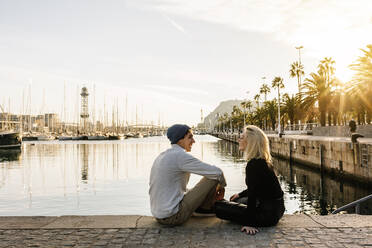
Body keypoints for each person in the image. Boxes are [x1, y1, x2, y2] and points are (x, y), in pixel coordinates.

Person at [149, 124, 226, 226]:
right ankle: (205, 209)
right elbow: (218, 172)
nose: (193, 141)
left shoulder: (163, 155)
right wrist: (222, 186)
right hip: (173, 216)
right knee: (213, 178)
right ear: (180, 140)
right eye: (190, 137)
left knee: (208, 177)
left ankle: (202, 207)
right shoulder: (180, 156)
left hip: (159, 214)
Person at [215, 125, 285, 235]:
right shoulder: (264, 162)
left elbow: (252, 195)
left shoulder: (253, 165)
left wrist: (250, 223)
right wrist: (240, 194)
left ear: (250, 142)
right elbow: (258, 188)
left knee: (218, 207)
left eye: (242, 137)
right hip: (277, 211)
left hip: (266, 216)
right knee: (236, 200)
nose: (238, 139)